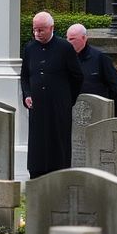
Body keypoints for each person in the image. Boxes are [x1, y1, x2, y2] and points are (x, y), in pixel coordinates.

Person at [20, 11, 83, 179]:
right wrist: (27, 94)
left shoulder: (64, 48)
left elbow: (77, 76)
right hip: (37, 107)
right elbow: (25, 76)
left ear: (51, 28)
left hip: (58, 107)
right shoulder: (30, 48)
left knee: (58, 145)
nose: (37, 34)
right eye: (34, 30)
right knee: (37, 145)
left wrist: (67, 99)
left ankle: (59, 178)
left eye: (41, 30)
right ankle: (36, 175)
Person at [65, 23, 117, 116]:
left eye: (72, 39)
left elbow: (116, 88)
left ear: (84, 38)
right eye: (67, 38)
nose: (68, 42)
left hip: (97, 113)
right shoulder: (64, 59)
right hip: (72, 113)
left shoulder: (100, 58)